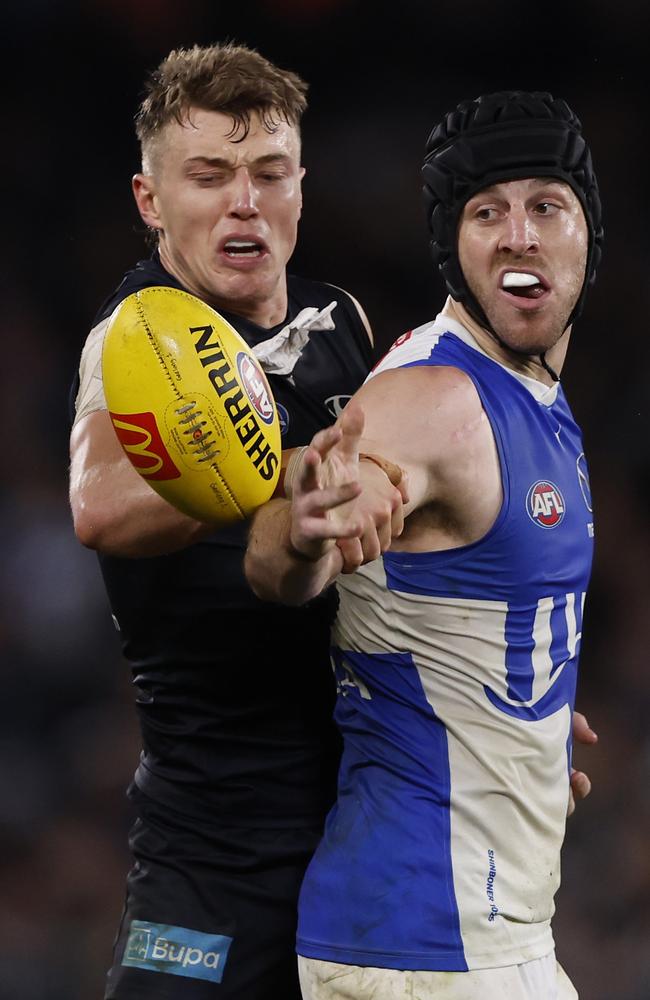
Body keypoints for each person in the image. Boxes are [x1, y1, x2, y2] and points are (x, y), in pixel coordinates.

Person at [245, 90, 603, 999]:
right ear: (454, 248)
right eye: (488, 212)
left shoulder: (533, 395)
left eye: (546, 206)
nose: (520, 235)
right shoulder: (435, 399)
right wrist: (307, 527)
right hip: (427, 947)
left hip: (470, 941)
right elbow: (297, 546)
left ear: (586, 237)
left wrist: (531, 718)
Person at [67, 42, 389, 1000]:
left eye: (268, 174)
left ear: (298, 189)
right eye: (208, 176)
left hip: (369, 818)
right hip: (213, 846)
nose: (243, 201)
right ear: (151, 201)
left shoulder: (344, 323)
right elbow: (97, 503)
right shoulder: (134, 337)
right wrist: (262, 469)